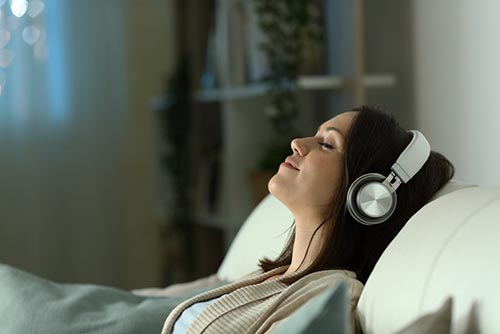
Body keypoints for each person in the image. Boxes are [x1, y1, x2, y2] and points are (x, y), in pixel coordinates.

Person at [161, 105, 455, 334]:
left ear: (370, 196)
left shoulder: (329, 297)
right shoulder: (273, 276)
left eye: (327, 144)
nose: (297, 143)